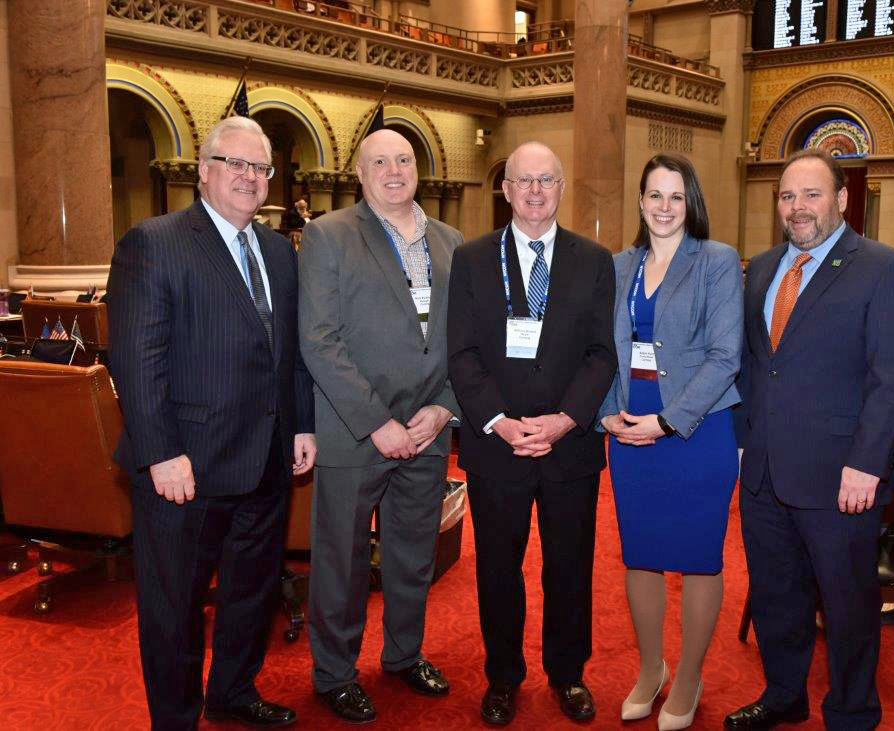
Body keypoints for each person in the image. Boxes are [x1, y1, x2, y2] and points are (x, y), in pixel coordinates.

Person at [107, 115, 316, 730]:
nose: (250, 178)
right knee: (174, 608)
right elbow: (137, 358)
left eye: (261, 168)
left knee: (252, 593)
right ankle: (175, 719)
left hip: (268, 460)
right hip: (185, 468)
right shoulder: (155, 241)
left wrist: (302, 425)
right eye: (236, 164)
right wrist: (159, 451)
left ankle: (233, 690)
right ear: (204, 171)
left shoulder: (279, 250)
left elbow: (290, 350)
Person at [729, 148, 894, 730]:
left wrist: (867, 463)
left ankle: (852, 712)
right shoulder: (761, 269)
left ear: (842, 199)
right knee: (776, 596)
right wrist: (744, 441)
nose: (798, 207)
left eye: (811, 194)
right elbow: (752, 365)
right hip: (764, 471)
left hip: (842, 476)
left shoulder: (885, 267)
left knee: (846, 607)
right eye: (787, 196)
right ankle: (785, 694)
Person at [447, 141, 616, 726]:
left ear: (561, 188)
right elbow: (462, 354)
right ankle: (502, 677)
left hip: (570, 445)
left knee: (569, 568)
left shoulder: (594, 261)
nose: (536, 191)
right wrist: (500, 422)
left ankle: (567, 675)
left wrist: (566, 418)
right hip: (498, 445)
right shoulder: (470, 260)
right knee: (497, 568)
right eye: (524, 181)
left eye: (547, 180)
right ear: (505, 189)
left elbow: (601, 354)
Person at [298, 129, 463, 724]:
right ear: (359, 174)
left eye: (403, 160)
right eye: (379, 162)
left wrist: (444, 406)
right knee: (341, 562)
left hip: (428, 431)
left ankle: (403, 656)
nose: (393, 170)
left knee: (413, 556)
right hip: (354, 430)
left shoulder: (451, 240)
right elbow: (318, 339)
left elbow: (464, 342)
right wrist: (376, 424)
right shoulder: (329, 234)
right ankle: (335, 674)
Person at [598, 154, 742, 730]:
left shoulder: (716, 261)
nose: (663, 207)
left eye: (675, 196)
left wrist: (665, 421)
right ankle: (650, 668)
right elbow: (602, 351)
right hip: (628, 429)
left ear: (691, 203)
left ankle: (688, 677)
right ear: (639, 201)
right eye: (654, 195)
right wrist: (609, 414)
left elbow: (726, 355)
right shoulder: (617, 266)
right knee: (642, 552)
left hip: (696, 429)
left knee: (701, 557)